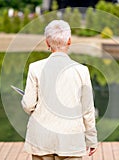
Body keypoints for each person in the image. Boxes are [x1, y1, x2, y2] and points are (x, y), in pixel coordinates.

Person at [21, 20, 98, 160]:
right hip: (71, 140)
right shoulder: (82, 71)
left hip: (41, 139)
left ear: (47, 43)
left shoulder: (35, 68)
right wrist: (91, 139)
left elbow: (28, 105)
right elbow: (87, 110)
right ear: (69, 41)